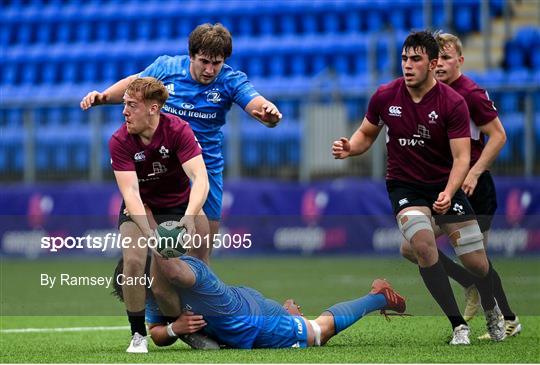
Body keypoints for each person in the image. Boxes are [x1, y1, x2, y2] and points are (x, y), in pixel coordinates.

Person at [331, 30, 505, 345]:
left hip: (444, 185)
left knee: (476, 262)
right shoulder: (385, 95)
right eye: (404, 59)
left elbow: (461, 157)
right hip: (404, 186)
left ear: (432, 62)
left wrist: (450, 192)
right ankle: (458, 326)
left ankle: (491, 306)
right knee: (421, 245)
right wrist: (350, 147)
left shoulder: (453, 103)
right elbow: (366, 134)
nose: (408, 65)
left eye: (416, 59)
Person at [81, 23, 282, 251]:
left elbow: (257, 102)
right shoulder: (167, 67)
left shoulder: (231, 80)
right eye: (204, 61)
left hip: (204, 167)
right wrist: (104, 97)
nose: (210, 69)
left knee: (200, 249)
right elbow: (134, 84)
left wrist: (270, 115)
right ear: (191, 56)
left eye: (216, 63)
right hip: (164, 166)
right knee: (154, 249)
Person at [399, 32, 521, 339]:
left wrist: (475, 172)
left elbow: (499, 135)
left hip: (474, 188)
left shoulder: (470, 93)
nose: (440, 65)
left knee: (480, 261)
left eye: (448, 58)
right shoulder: (431, 94)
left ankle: (508, 319)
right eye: (437, 58)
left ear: (460, 61)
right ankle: (468, 284)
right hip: (445, 185)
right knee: (411, 247)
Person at [112, 251, 407, 349]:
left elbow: (171, 268)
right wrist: (175, 329)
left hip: (255, 322)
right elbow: (157, 334)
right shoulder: (153, 291)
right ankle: (288, 315)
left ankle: (377, 297)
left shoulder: (188, 273)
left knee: (318, 333)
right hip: (243, 303)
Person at [109, 77, 209, 353]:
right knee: (133, 261)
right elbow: (130, 194)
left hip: (179, 206)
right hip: (141, 207)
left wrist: (190, 216)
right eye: (124, 104)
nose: (124, 111)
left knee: (195, 267)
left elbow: (200, 178)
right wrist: (149, 233)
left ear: (153, 108)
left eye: (131, 105)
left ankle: (201, 323)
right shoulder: (120, 140)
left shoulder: (178, 130)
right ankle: (138, 335)